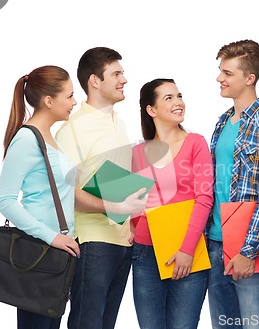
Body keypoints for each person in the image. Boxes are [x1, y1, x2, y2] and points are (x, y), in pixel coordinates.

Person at [55, 47, 148, 329]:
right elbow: (62, 193)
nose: (124, 80)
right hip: (92, 243)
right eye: (116, 74)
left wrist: (129, 220)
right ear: (95, 81)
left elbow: (112, 181)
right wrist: (112, 207)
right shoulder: (73, 128)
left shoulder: (118, 123)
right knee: (88, 323)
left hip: (121, 243)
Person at [206, 39, 259, 329]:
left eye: (228, 73)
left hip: (250, 250)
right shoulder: (222, 122)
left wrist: (247, 251)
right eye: (221, 71)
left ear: (249, 78)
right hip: (215, 243)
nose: (220, 78)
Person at [0, 65, 80, 329]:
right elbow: (5, 200)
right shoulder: (27, 139)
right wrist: (52, 236)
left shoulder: (51, 138)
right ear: (48, 100)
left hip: (57, 255)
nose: (74, 102)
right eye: (69, 96)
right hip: (39, 253)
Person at [130, 78, 214, 328]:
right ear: (151, 110)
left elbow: (204, 198)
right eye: (169, 98)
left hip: (188, 250)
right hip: (145, 253)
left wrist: (187, 249)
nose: (178, 102)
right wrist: (131, 227)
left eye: (179, 96)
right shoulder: (138, 152)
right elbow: (133, 201)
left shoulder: (195, 143)